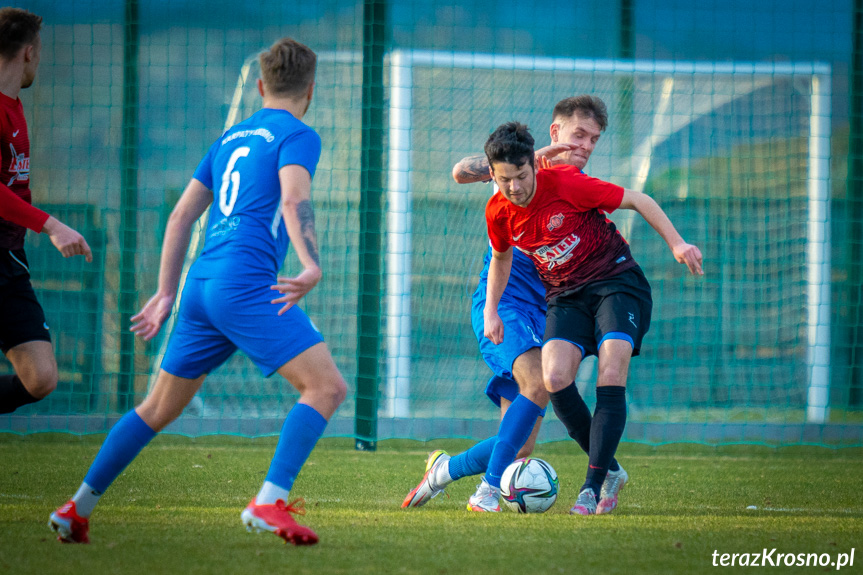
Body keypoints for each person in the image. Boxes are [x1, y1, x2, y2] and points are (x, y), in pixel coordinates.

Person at [49, 37, 347, 545]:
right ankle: (268, 502)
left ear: (260, 85)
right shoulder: (297, 134)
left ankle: (77, 508)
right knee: (326, 387)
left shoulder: (229, 138)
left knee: (156, 409)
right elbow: (295, 201)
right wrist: (310, 263)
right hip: (245, 283)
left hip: (201, 284)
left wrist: (167, 292)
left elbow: (182, 213)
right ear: (311, 89)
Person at [402, 96, 626, 513]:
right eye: (579, 134)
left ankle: (444, 471)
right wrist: (527, 162)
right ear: (556, 133)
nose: (586, 145)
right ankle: (485, 493)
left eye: (595, 138)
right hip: (504, 307)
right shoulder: (518, 173)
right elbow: (458, 171)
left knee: (520, 447)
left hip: (545, 314)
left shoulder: (575, 191)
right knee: (539, 385)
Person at [483, 121, 702, 515]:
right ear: (493, 176)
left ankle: (591, 486)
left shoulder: (567, 183)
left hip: (615, 281)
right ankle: (613, 472)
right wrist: (491, 310)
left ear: (533, 166)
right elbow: (501, 257)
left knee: (611, 371)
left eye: (520, 177)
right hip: (566, 295)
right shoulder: (498, 210)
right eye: (504, 180)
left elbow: (638, 199)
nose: (514, 188)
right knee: (554, 378)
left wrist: (678, 243)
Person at [0, 7, 93, 415]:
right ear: (29, 52)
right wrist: (50, 225)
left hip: (9, 260)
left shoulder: (14, 107)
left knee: (40, 379)